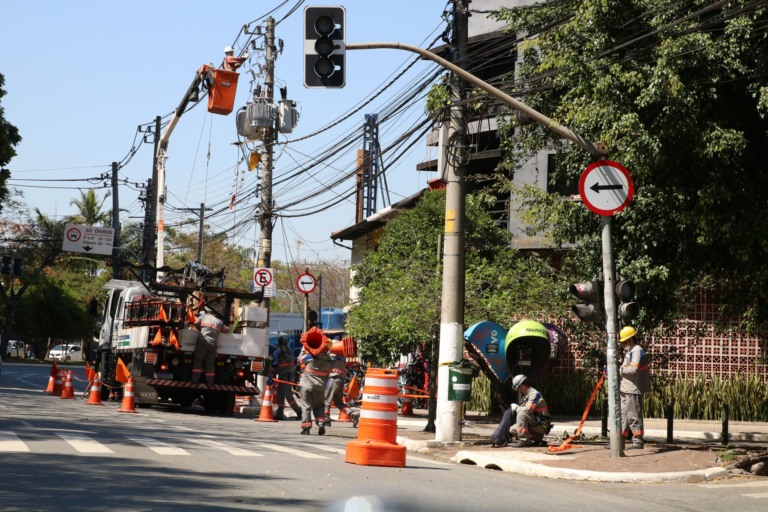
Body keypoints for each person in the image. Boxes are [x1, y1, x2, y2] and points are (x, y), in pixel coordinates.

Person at [491, 374, 552, 448]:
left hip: (542, 424)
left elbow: (528, 410)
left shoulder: (535, 394)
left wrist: (516, 408)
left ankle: (524, 441)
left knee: (521, 414)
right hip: (535, 422)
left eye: (518, 388)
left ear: (523, 386)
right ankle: (535, 438)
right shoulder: (526, 396)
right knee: (512, 429)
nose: (518, 391)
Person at [619, 326, 652, 449]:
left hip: (633, 388)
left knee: (633, 415)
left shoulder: (637, 350)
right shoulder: (631, 351)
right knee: (623, 416)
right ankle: (620, 440)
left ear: (630, 340)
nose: (622, 344)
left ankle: (638, 440)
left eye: (623, 342)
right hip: (625, 388)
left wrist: (619, 370)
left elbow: (634, 369)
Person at [297, 326, 332, 435]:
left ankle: (306, 427)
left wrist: (304, 348)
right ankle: (321, 422)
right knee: (319, 406)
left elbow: (299, 360)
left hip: (306, 386)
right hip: (320, 388)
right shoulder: (329, 361)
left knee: (306, 406)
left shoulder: (309, 358)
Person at [192, 310, 229, 387]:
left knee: (198, 360)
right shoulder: (219, 321)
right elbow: (227, 330)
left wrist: (199, 328)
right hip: (213, 344)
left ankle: (195, 380)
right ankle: (210, 382)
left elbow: (195, 323)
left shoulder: (203, 316)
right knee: (210, 363)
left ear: (208, 313)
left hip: (202, 342)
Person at [271, 337, 302, 420]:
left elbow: (274, 365)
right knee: (280, 394)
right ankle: (279, 413)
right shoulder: (289, 352)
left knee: (288, 396)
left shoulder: (278, 352)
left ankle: (299, 411)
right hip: (284, 376)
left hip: (286, 376)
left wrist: (271, 376)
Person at [324, 352, 351, 425]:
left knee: (327, 400)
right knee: (339, 403)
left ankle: (326, 419)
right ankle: (352, 413)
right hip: (340, 380)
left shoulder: (331, 356)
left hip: (333, 379)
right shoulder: (342, 357)